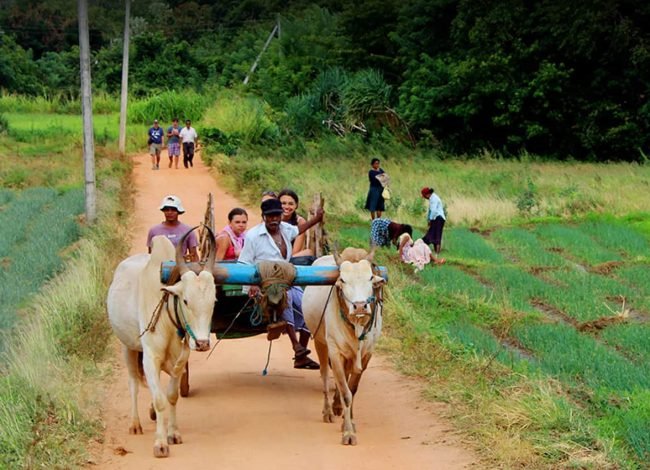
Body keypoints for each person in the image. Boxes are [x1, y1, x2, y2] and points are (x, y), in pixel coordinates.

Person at [238, 198, 324, 369]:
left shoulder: (285, 229)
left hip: (288, 277)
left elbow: (299, 229)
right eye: (269, 217)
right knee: (286, 297)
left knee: (308, 304)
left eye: (277, 215)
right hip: (266, 282)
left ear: (281, 215)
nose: (274, 220)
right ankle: (296, 346)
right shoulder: (253, 235)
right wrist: (252, 284)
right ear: (263, 217)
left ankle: (302, 354)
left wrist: (316, 219)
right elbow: (244, 263)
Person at [146, 195, 199, 262]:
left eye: (173, 210)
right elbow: (151, 255)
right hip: (160, 268)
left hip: (181, 267)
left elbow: (194, 255)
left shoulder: (188, 231)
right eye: (167, 210)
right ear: (163, 211)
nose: (170, 213)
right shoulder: (154, 231)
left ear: (178, 211)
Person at [278, 188, 312, 257]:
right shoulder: (270, 218)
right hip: (271, 254)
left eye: (291, 204)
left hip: (290, 257)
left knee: (309, 252)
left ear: (296, 205)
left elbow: (295, 251)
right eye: (283, 203)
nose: (287, 207)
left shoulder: (300, 222)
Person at [421, 187, 446, 264]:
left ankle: (436, 256)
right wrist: (430, 219)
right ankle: (431, 255)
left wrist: (431, 220)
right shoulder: (433, 198)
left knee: (436, 236)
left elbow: (434, 211)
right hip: (437, 218)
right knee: (433, 235)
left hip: (438, 218)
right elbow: (431, 211)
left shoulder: (433, 199)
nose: (424, 198)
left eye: (424, 196)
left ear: (427, 194)